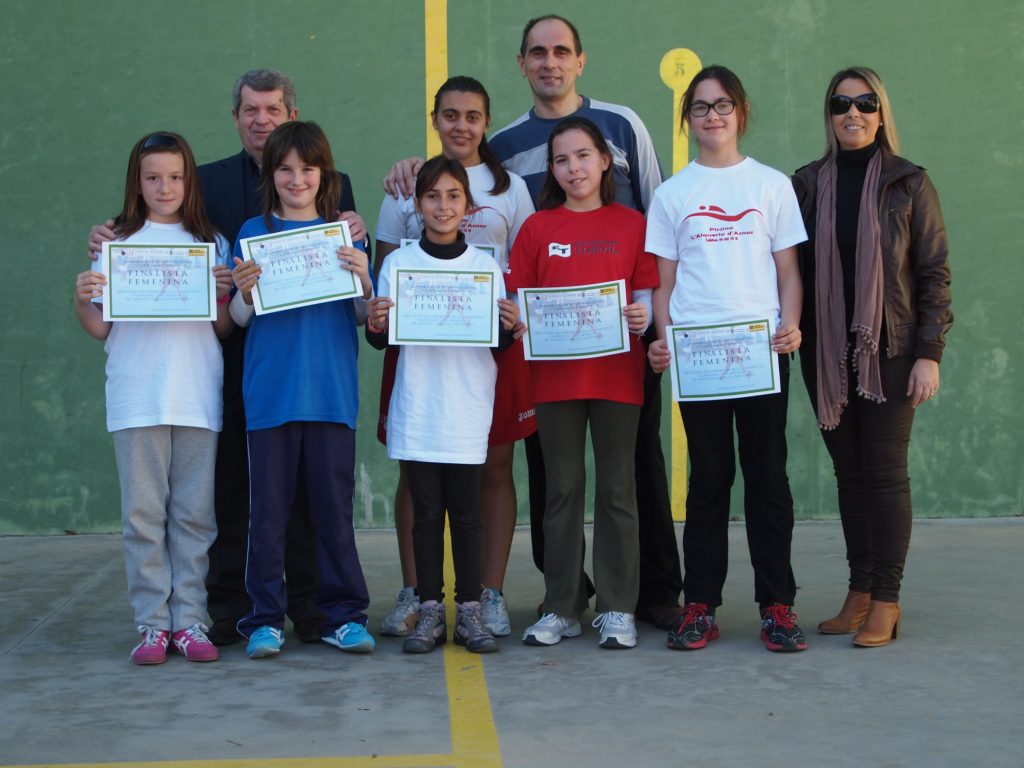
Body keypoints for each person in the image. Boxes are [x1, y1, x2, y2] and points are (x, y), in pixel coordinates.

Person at [384, 16, 683, 629]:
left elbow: (658, 223)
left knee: (631, 476)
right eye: (538, 53)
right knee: (553, 482)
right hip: (532, 356)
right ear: (522, 63)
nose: (550, 62)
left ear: (580, 60)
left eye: (561, 51)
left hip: (614, 352)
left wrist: (651, 318)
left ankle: (644, 597)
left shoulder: (623, 127)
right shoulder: (502, 157)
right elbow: (510, 265)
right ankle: (561, 599)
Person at [87, 69, 368, 646]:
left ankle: (316, 610)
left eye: (272, 109)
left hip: (297, 370)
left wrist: (361, 259)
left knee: (313, 503)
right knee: (237, 498)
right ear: (236, 117)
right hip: (236, 367)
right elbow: (158, 240)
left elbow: (356, 299)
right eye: (250, 110)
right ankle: (233, 610)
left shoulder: (337, 197)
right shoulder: (206, 184)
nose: (261, 119)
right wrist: (110, 242)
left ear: (291, 116)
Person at [646, 65, 809, 653]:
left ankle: (778, 605)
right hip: (699, 360)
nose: (712, 115)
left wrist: (791, 325)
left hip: (762, 355)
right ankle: (700, 604)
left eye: (722, 105)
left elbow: (789, 273)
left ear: (740, 112)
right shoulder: (672, 194)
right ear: (687, 119)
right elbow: (663, 284)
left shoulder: (771, 185)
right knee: (710, 480)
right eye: (700, 106)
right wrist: (664, 339)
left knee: (768, 478)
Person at [792, 67, 952, 647]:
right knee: (850, 476)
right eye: (841, 104)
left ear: (881, 113)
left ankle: (886, 597)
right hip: (825, 352)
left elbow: (933, 273)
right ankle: (859, 591)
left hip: (890, 349)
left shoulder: (909, 183)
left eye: (864, 103)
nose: (852, 113)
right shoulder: (808, 184)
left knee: (884, 475)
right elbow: (788, 267)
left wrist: (929, 353)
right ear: (830, 115)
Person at [373, 76, 535, 639]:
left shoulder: (509, 192)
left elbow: (521, 269)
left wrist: (511, 323)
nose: (461, 125)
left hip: (478, 371)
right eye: (450, 115)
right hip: (420, 373)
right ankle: (420, 596)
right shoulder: (403, 193)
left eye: (472, 116)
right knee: (420, 488)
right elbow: (385, 298)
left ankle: (480, 598)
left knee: (484, 480)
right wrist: (379, 320)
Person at [75, 132, 234, 664]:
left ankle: (189, 621)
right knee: (143, 517)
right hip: (136, 395)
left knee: (194, 516)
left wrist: (222, 294)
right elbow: (101, 327)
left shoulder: (211, 242)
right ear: (136, 182)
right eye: (152, 177)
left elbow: (221, 328)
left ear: (189, 181)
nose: (165, 187)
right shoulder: (113, 242)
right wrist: (81, 300)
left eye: (175, 177)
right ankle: (151, 624)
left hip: (195, 395)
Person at [507, 117, 657, 649]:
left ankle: (617, 608)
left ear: (604, 160)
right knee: (562, 490)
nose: (574, 168)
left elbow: (646, 295)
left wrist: (641, 316)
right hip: (553, 381)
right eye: (562, 160)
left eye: (583, 156)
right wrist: (516, 318)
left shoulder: (633, 224)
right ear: (551, 169)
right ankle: (562, 606)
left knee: (617, 489)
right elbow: (518, 301)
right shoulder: (536, 229)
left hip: (618, 377)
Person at [228, 121, 375, 659]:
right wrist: (244, 292)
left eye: (307, 169)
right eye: (285, 169)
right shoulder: (251, 232)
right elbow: (238, 319)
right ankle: (265, 619)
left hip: (331, 395)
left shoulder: (345, 235)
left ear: (323, 174)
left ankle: (345, 617)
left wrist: (363, 277)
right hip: (271, 396)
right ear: (270, 174)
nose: (296, 179)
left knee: (334, 512)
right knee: (268, 515)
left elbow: (362, 315)